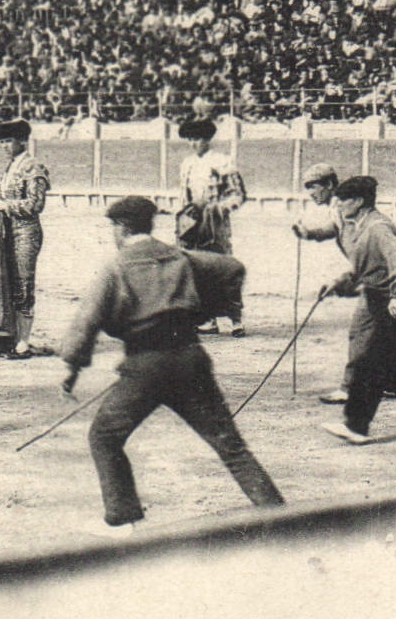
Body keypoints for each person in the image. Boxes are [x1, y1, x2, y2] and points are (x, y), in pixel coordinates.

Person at [59, 196, 284, 532]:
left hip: (145, 365)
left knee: (104, 436)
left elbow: (86, 321)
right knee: (229, 444)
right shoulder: (179, 256)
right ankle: (280, 516)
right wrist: (209, 309)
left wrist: (73, 367)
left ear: (121, 227)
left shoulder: (116, 266)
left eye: (113, 227)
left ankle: (123, 519)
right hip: (190, 359)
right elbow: (232, 268)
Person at [317, 176, 396, 444]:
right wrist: (338, 284)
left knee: (369, 364)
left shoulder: (377, 227)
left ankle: (356, 427)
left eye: (344, 201)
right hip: (383, 301)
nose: (338, 206)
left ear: (359, 202)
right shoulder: (360, 227)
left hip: (391, 305)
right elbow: (366, 270)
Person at [0, 118, 51, 358]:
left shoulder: (33, 166)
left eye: (8, 141)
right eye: (1, 142)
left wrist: (3, 206)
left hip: (25, 232)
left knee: (23, 284)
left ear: (22, 140)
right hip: (7, 233)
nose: (4, 146)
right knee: (8, 283)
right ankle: (10, 337)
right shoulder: (11, 167)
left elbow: (35, 205)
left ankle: (23, 343)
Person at [175, 116, 246, 336]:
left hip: (216, 223)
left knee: (223, 267)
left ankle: (236, 321)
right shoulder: (187, 164)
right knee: (197, 268)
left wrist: (217, 209)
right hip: (193, 222)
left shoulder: (222, 162)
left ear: (208, 139)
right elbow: (184, 197)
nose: (193, 143)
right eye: (190, 139)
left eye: (198, 138)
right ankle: (209, 320)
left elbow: (238, 195)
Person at [291, 162, 353, 404]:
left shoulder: (341, 206)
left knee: (363, 332)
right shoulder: (337, 206)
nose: (311, 193)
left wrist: (347, 279)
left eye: (314, 187)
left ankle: (350, 388)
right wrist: (311, 234)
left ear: (329, 185)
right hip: (370, 270)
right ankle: (390, 381)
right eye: (308, 188)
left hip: (372, 271)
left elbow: (353, 239)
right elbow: (335, 230)